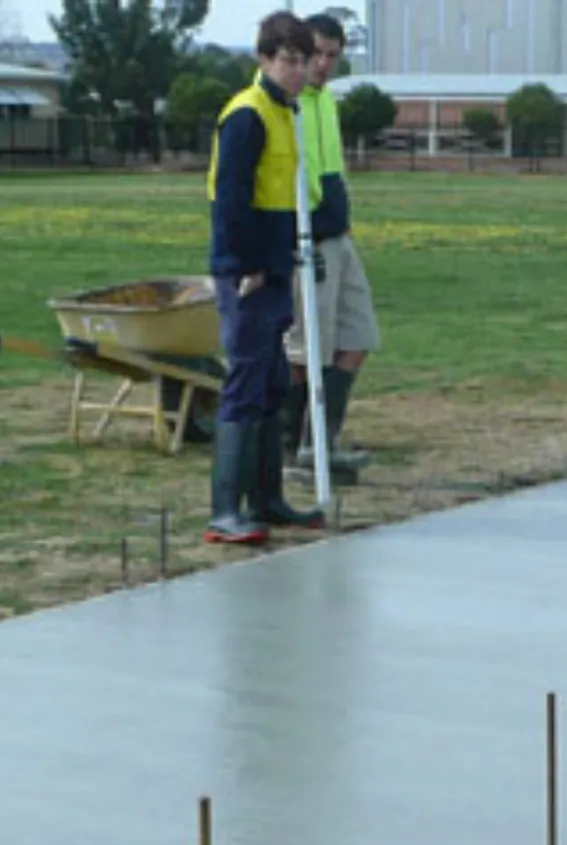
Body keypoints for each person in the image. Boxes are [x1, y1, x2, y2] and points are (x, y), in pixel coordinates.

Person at [204, 10, 325, 543]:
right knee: (247, 381)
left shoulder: (285, 113)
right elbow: (231, 199)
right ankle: (224, 511)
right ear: (265, 59)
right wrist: (248, 265)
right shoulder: (247, 114)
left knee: (273, 382)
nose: (299, 70)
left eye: (304, 60)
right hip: (248, 272)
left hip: (277, 266)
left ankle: (268, 500)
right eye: (290, 60)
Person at [281, 10, 381, 480]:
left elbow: (332, 168)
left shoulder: (326, 104)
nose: (322, 65)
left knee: (358, 338)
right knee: (307, 351)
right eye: (316, 54)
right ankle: (298, 446)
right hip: (307, 241)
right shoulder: (289, 103)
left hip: (339, 238)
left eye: (332, 56)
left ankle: (322, 439)